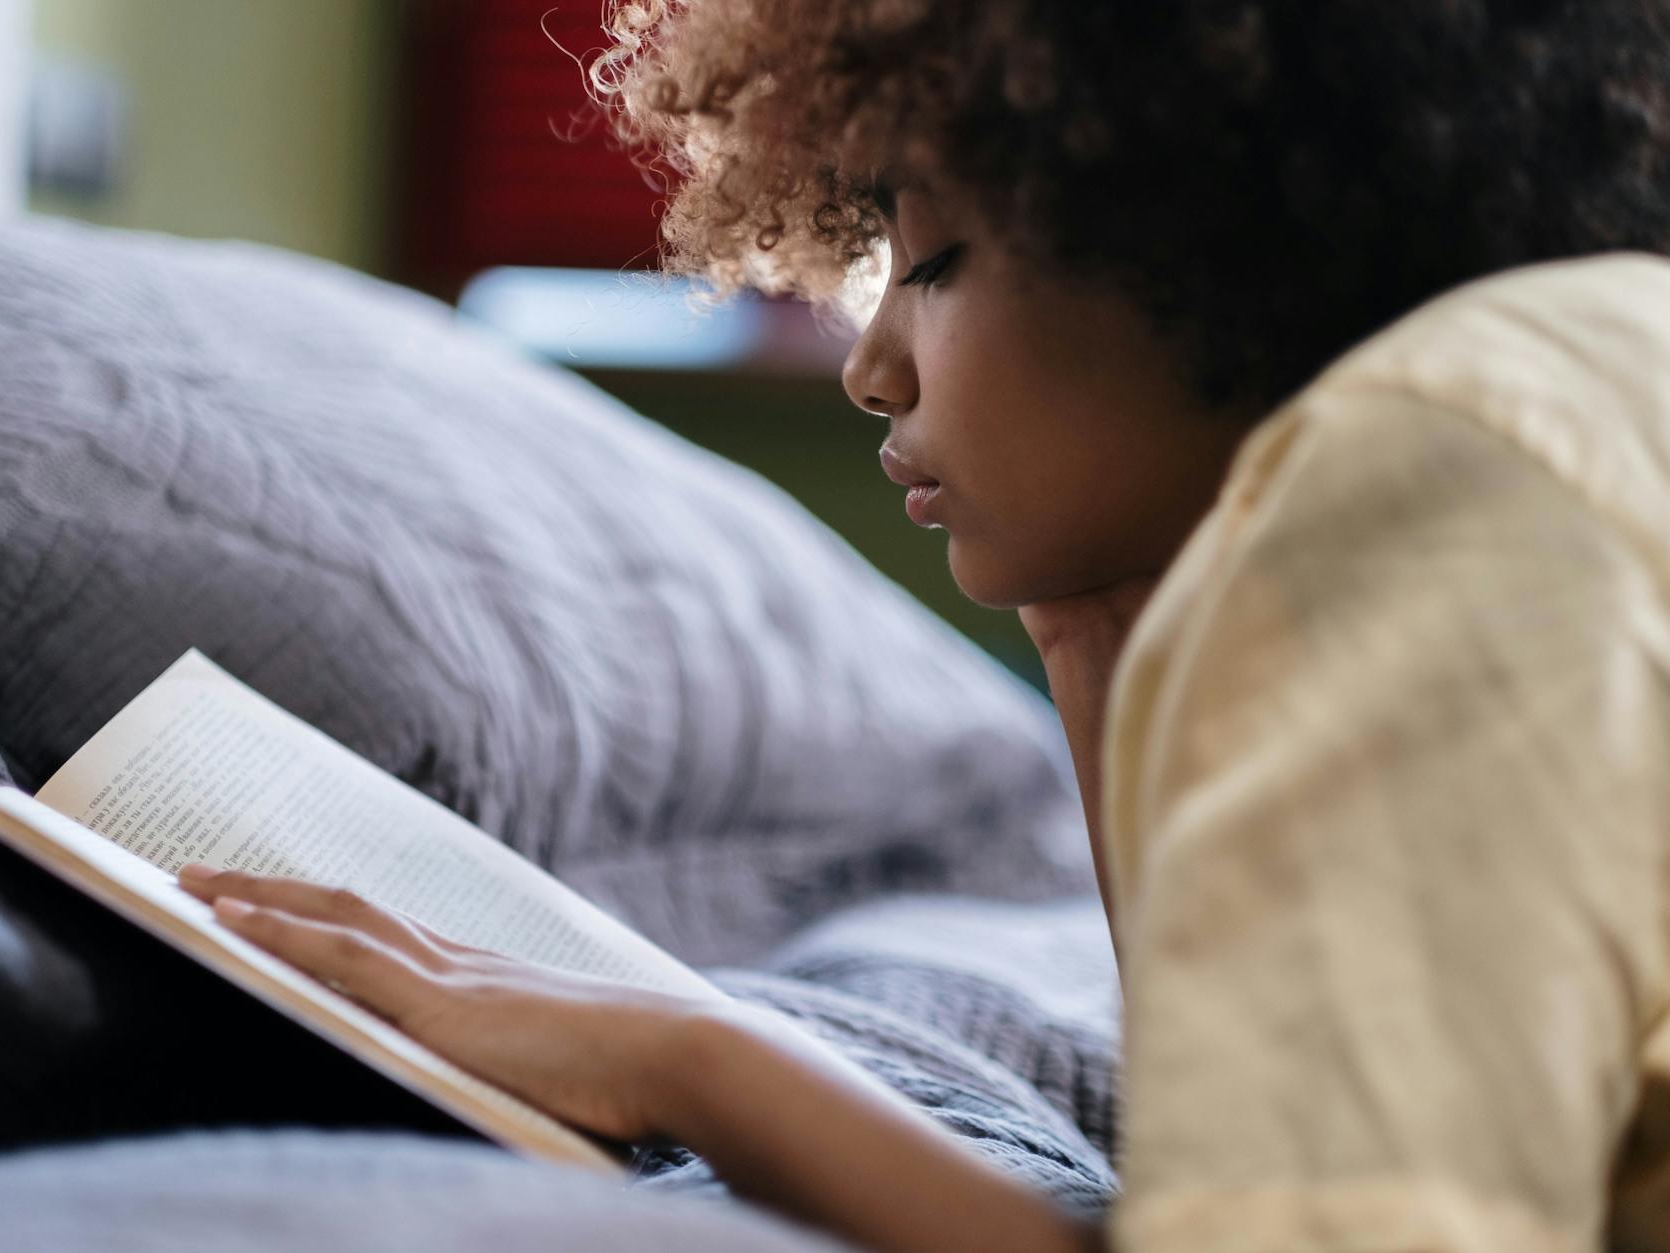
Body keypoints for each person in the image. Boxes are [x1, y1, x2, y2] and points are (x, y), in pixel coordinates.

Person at [178, 2, 1670, 1249]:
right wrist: (1091, 643)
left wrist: (683, 1059)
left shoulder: (1448, 463)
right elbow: (1247, 1171)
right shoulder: (1547, 402)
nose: (873, 365)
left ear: (1197, 218)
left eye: (937, 259)